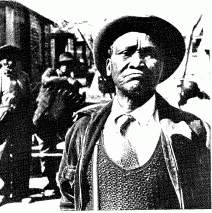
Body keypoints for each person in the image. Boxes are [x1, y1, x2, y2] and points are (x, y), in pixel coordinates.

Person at [57, 15, 211, 210]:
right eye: (126, 53)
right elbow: (69, 201)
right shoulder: (83, 131)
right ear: (108, 66)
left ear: (162, 67)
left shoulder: (195, 132)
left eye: (148, 53)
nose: (137, 62)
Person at [0, 45, 33, 205]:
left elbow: (29, 98)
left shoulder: (23, 77)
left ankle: (21, 192)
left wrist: (28, 117)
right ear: (0, 60)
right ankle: (2, 193)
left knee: (21, 155)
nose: (9, 63)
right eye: (5, 59)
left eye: (12, 59)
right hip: (0, 120)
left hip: (20, 120)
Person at [33, 52, 85, 195]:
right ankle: (49, 182)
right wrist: (66, 80)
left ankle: (66, 182)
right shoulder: (51, 73)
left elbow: (75, 103)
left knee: (67, 152)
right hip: (44, 119)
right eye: (64, 64)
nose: (66, 67)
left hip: (61, 122)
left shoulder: (71, 81)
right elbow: (45, 80)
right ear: (59, 65)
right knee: (46, 152)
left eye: (69, 65)